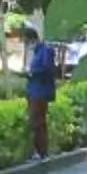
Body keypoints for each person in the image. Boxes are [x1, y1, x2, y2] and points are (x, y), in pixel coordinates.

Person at [20, 24, 58, 159]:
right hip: (33, 90)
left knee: (37, 121)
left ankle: (41, 151)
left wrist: (32, 73)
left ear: (31, 39)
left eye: (25, 41)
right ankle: (40, 150)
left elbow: (48, 69)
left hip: (40, 91)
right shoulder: (36, 52)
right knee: (36, 121)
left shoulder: (45, 51)